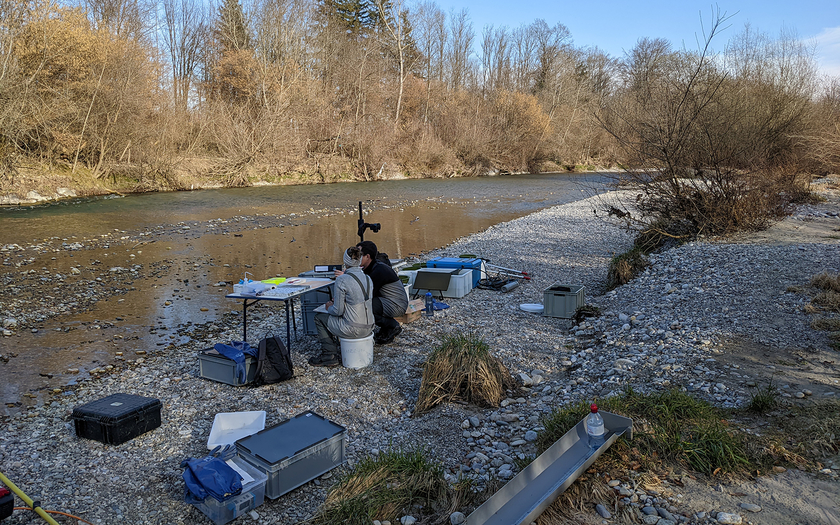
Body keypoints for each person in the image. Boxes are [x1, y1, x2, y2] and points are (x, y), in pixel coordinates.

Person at [309, 246, 374, 367]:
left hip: (353, 329)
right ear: (359, 260)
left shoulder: (342, 280)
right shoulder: (368, 278)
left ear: (345, 261)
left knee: (319, 318)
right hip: (370, 326)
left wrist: (329, 307)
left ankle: (329, 355)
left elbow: (338, 311)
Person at [356, 240, 409, 345]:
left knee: (364, 307)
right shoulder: (371, 267)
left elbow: (366, 294)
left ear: (367, 256)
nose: (355, 257)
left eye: (358, 255)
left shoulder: (379, 270)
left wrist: (346, 279)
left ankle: (393, 326)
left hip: (396, 304)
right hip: (388, 301)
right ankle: (386, 327)